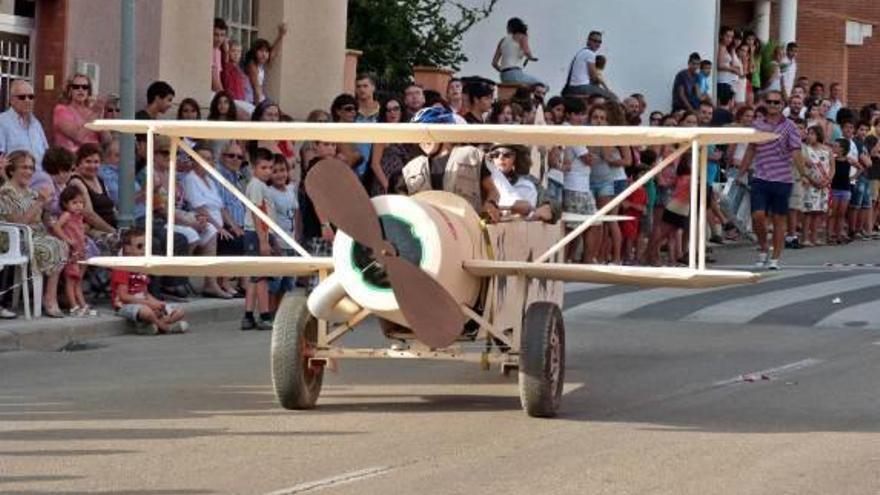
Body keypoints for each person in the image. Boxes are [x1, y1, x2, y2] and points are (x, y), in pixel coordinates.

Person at [739, 90, 803, 270]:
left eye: (777, 102)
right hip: (761, 177)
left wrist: (804, 173)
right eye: (770, 102)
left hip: (783, 179)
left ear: (783, 104)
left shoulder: (790, 126)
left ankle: (775, 257)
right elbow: (751, 149)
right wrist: (741, 172)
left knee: (778, 219)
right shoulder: (757, 125)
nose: (773, 105)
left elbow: (796, 151)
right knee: (757, 216)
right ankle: (763, 247)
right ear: (764, 103)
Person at [0, 150, 67, 317]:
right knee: (52, 246)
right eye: (24, 167)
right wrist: (40, 202)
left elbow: (43, 220)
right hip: (14, 239)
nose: (29, 172)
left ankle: (51, 297)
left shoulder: (31, 192)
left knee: (62, 243)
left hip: (36, 235)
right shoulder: (5, 192)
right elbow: (18, 223)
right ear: (12, 170)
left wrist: (47, 209)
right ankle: (49, 300)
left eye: (31, 168)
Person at [112, 228, 188, 335]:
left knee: (179, 311)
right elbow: (124, 296)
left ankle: (155, 324)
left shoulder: (142, 267)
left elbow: (145, 293)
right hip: (125, 305)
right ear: (127, 248)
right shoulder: (123, 266)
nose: (143, 250)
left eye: (146, 247)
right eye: (139, 246)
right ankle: (166, 327)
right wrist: (148, 304)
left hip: (144, 303)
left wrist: (156, 303)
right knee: (147, 312)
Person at [183, 143, 235, 299]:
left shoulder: (210, 181)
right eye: (203, 158)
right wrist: (219, 227)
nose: (207, 162)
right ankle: (210, 283)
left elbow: (221, 207)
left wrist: (233, 225)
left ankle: (225, 282)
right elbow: (200, 208)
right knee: (215, 233)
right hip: (203, 222)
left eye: (210, 159)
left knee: (239, 236)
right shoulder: (190, 179)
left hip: (218, 222)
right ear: (194, 160)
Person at [241, 148, 276, 331]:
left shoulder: (261, 185)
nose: (268, 171)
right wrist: (263, 240)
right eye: (263, 167)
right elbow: (257, 214)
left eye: (270, 167)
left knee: (255, 278)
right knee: (261, 278)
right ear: (254, 167)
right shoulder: (256, 185)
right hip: (256, 233)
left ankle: (248, 315)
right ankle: (264, 315)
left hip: (258, 233)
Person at [50, 186, 95, 317]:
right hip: (71, 253)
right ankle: (73, 306)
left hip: (80, 252)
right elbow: (56, 227)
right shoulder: (67, 215)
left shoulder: (79, 217)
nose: (78, 206)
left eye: (81, 203)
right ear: (65, 203)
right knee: (71, 280)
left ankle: (82, 304)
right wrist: (67, 239)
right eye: (74, 203)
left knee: (78, 280)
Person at [52, 74, 106, 153]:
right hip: (71, 160)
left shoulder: (92, 112)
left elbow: (106, 141)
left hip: (93, 159)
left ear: (88, 91)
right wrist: (94, 115)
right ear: (70, 90)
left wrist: (101, 119)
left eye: (84, 87)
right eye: (76, 87)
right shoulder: (61, 110)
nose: (80, 90)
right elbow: (78, 136)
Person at [0, 80, 48, 168]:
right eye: (22, 97)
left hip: (41, 178)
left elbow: (46, 153)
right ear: (11, 100)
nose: (27, 100)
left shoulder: (36, 124)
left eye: (31, 97)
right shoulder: (2, 122)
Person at [243, 23, 287, 106]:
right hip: (251, 101)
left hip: (260, 99)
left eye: (266, 51)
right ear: (254, 52)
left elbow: (273, 53)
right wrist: (258, 108)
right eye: (261, 51)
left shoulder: (260, 64)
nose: (264, 54)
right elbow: (256, 88)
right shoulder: (252, 64)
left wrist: (281, 35)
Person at [801, 125, 832, 246]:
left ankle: (814, 237)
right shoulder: (805, 150)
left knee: (819, 212)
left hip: (824, 185)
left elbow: (832, 167)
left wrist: (828, 180)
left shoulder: (828, 150)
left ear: (818, 135)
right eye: (808, 133)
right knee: (808, 212)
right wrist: (812, 181)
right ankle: (805, 238)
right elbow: (803, 168)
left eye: (812, 133)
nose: (810, 136)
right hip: (810, 184)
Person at [563, 31, 615, 100]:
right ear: (588, 41)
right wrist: (605, 88)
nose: (597, 44)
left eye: (599, 42)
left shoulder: (581, 52)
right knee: (613, 97)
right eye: (595, 41)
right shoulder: (590, 54)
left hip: (573, 87)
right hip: (581, 87)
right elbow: (593, 77)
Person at [491, 17, 541, 86]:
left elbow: (494, 63)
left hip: (503, 76)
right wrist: (531, 57)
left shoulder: (502, 40)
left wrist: (504, 70)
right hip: (515, 73)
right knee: (541, 85)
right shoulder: (522, 36)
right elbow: (526, 51)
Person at [828, 138, 851, 244]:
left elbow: (861, 167)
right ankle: (830, 234)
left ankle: (838, 234)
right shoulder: (833, 159)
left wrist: (853, 177)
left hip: (845, 188)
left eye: (836, 146)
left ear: (842, 149)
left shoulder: (848, 160)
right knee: (833, 213)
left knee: (841, 213)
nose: (834, 148)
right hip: (835, 188)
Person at [716, 26, 739, 104]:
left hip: (728, 81)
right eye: (727, 36)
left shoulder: (726, 48)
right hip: (722, 81)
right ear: (721, 35)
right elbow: (719, 65)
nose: (729, 39)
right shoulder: (721, 47)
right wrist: (732, 69)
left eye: (731, 37)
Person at [211, 17, 228, 93]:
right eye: (216, 35)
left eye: (222, 35)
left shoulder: (218, 51)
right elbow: (215, 81)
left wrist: (226, 52)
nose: (219, 39)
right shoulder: (210, 51)